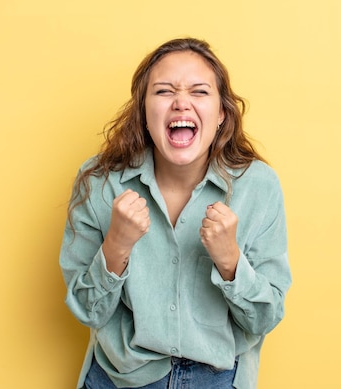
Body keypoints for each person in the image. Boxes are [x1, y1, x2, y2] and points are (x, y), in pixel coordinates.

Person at [59, 37, 292, 389]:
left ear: (221, 115)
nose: (182, 103)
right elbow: (87, 311)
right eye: (165, 91)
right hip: (120, 376)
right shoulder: (99, 182)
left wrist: (230, 262)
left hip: (216, 378)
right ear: (144, 114)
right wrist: (116, 246)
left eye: (199, 92)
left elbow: (263, 318)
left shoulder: (258, 186)